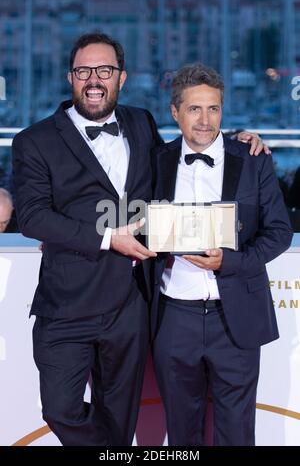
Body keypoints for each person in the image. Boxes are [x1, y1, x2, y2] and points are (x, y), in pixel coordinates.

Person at [12, 32, 268, 447]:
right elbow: (34, 216)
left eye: (105, 70)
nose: (94, 79)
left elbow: (183, 146)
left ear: (122, 77)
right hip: (67, 306)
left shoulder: (140, 122)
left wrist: (238, 137)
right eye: (84, 71)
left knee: (120, 417)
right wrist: (107, 238)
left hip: (130, 306)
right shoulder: (33, 141)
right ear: (70, 77)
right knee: (60, 408)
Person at [151, 63, 293, 446]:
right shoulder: (154, 161)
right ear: (175, 112)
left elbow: (279, 232)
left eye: (213, 108)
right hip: (173, 316)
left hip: (236, 318)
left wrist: (228, 263)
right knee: (181, 432)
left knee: (237, 432)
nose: (205, 119)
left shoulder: (252, 157)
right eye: (194, 109)